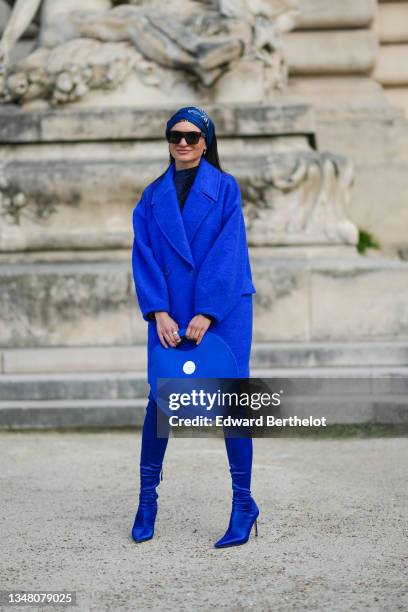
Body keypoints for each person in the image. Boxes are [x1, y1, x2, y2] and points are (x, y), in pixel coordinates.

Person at [130, 105, 259, 548]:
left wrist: (207, 311)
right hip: (168, 312)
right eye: (174, 136)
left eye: (191, 136)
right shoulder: (151, 196)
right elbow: (143, 254)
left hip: (221, 311)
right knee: (160, 402)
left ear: (206, 142)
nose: (182, 143)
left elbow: (229, 251)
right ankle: (147, 501)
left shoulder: (225, 189)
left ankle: (243, 504)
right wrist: (159, 312)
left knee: (232, 401)